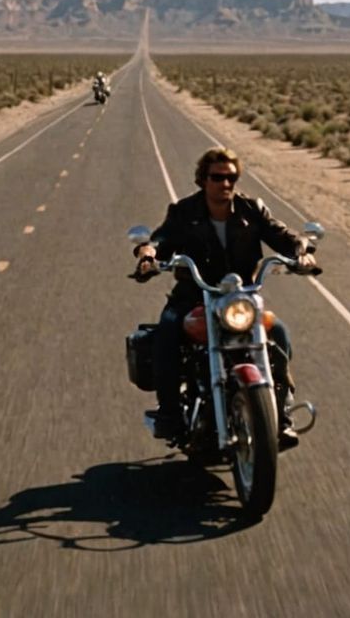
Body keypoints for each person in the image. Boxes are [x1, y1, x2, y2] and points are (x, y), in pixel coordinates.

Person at [133, 147, 316, 448]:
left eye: (231, 177)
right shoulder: (183, 212)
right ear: (203, 179)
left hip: (240, 298)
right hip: (194, 296)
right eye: (218, 177)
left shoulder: (251, 209)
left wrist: (302, 251)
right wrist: (148, 254)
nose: (225, 184)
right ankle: (169, 415)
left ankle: (279, 415)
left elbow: (282, 235)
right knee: (167, 331)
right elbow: (160, 239)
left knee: (278, 333)